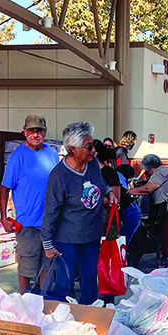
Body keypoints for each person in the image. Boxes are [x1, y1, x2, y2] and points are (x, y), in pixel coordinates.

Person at [41, 122, 113, 305]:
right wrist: (48, 244)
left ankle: (91, 314)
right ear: (73, 148)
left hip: (91, 235)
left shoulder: (93, 165)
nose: (94, 151)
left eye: (93, 144)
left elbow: (101, 183)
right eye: (89, 147)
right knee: (65, 280)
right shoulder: (59, 176)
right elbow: (50, 212)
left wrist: (108, 192)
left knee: (90, 278)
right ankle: (62, 319)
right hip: (66, 238)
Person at [0, 114, 60, 293]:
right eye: (31, 130)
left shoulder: (52, 153)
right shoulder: (17, 156)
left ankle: (44, 300)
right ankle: (24, 300)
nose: (35, 134)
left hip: (50, 223)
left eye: (39, 130)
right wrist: (3, 218)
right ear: (24, 132)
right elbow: (4, 189)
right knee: (26, 267)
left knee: (47, 266)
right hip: (27, 224)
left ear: (45, 132)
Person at [128, 154, 168, 262]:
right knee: (167, 241)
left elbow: (148, 189)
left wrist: (128, 192)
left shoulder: (162, 171)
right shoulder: (166, 171)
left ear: (150, 167)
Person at [96, 143, 141, 248]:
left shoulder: (108, 173)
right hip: (112, 213)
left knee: (119, 247)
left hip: (127, 211)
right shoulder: (93, 172)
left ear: (95, 153)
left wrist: (90, 200)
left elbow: (116, 199)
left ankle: (125, 264)